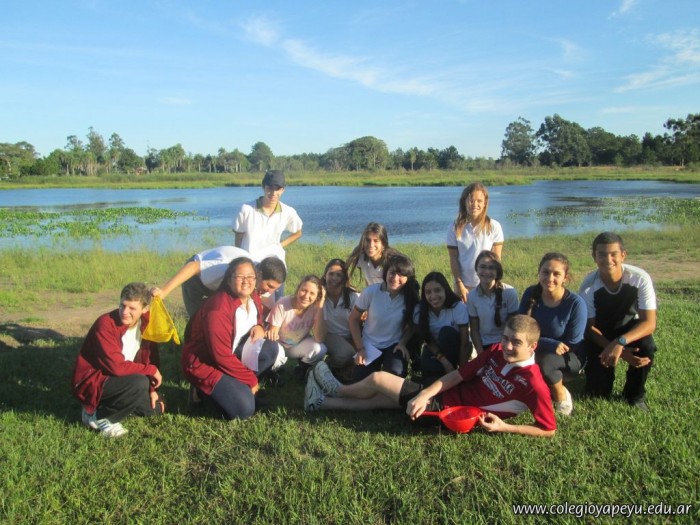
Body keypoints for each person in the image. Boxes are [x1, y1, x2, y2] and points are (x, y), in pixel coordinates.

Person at [305, 315, 556, 438]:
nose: (508, 346)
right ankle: (322, 403)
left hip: (449, 413)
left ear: (532, 346)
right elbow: (457, 375)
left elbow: (548, 429)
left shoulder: (534, 383)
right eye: (506, 338)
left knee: (379, 380)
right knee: (383, 399)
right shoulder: (496, 351)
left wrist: (505, 427)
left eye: (516, 342)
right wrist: (425, 393)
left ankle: (337, 388)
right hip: (443, 394)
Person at [181, 257, 280, 420]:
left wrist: (260, 326)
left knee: (269, 349)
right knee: (244, 408)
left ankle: (235, 388)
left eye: (251, 276)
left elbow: (257, 318)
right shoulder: (218, 309)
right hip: (205, 363)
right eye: (240, 276)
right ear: (228, 280)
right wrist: (251, 380)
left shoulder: (253, 296)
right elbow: (220, 356)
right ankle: (200, 392)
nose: (246, 281)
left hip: (230, 354)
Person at [72, 282, 164, 438]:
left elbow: (149, 358)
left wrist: (152, 389)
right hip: (94, 380)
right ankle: (98, 416)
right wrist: (151, 371)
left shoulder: (147, 324)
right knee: (138, 383)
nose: (125, 312)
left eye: (132, 308)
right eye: (122, 305)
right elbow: (117, 367)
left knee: (154, 409)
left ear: (145, 309)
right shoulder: (105, 324)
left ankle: (106, 405)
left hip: (122, 377)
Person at [579, 232, 657, 411]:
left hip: (629, 329)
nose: (608, 260)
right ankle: (600, 379)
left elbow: (649, 323)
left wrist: (620, 342)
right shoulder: (588, 285)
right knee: (598, 393)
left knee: (647, 346)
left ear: (623, 255)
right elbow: (590, 329)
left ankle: (635, 394)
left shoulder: (640, 278)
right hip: (600, 333)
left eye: (613, 254)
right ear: (594, 257)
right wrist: (619, 352)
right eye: (602, 254)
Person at [518, 252, 587, 416]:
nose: (550, 278)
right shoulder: (530, 293)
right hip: (536, 347)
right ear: (539, 273)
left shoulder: (575, 303)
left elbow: (573, 343)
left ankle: (561, 395)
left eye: (556, 274)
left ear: (565, 278)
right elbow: (519, 328)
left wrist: (541, 345)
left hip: (569, 355)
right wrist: (548, 343)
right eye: (546, 272)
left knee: (545, 361)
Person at [151, 245, 287, 317]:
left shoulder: (258, 278)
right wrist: (164, 291)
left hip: (225, 283)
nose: (269, 291)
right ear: (259, 274)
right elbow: (193, 267)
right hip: (196, 277)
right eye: (269, 286)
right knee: (198, 319)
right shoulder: (226, 267)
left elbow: (265, 307)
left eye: (274, 289)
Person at [349, 253, 420, 382]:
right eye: (392, 273)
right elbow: (353, 319)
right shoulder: (371, 292)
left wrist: (403, 342)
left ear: (408, 278)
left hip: (393, 345)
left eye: (401, 275)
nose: (395, 278)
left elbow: (414, 325)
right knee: (360, 379)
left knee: (395, 375)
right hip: (369, 344)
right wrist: (360, 348)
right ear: (386, 273)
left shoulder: (411, 298)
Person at [232, 169, 302, 298]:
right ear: (263, 187)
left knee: (275, 305)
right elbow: (238, 238)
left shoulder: (288, 212)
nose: (273, 193)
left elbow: (298, 232)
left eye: (277, 188)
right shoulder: (247, 209)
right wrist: (238, 261)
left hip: (275, 266)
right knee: (248, 302)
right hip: (251, 266)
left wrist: (280, 245)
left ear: (283, 190)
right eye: (269, 188)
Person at [446, 183, 504, 302]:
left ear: (485, 203)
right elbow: (453, 259)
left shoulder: (494, 226)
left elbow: (496, 259)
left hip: (488, 285)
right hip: (463, 287)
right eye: (471, 200)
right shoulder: (454, 227)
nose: (475, 204)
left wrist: (492, 284)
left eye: (479, 201)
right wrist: (459, 284)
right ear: (464, 202)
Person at [414, 272, 470, 385]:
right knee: (429, 373)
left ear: (445, 290)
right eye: (428, 292)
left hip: (456, 348)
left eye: (437, 290)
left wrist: (461, 372)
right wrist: (443, 360)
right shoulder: (420, 310)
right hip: (435, 349)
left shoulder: (458, 307)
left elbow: (465, 343)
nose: (433, 296)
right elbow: (427, 339)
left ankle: (453, 377)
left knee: (446, 332)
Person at [266, 275, 328, 378]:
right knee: (277, 357)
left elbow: (319, 338)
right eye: (304, 290)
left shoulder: (317, 308)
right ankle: (274, 371)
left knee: (320, 349)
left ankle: (303, 368)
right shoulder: (283, 304)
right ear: (298, 289)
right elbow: (272, 334)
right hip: (279, 343)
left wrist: (320, 306)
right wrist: (278, 354)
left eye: (312, 293)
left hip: (296, 345)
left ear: (318, 296)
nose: (306, 296)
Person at [468, 250, 519, 354]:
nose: (487, 272)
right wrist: (481, 355)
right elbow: (474, 329)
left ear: (498, 271)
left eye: (491, 268)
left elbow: (513, 326)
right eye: (482, 267)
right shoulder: (472, 296)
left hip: (506, 344)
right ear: (476, 269)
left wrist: (505, 349)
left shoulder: (509, 292)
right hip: (484, 344)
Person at [320, 258, 360, 378]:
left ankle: (341, 371)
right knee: (347, 354)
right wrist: (321, 300)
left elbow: (360, 321)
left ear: (344, 278)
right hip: (329, 335)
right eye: (331, 274)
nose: (334, 278)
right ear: (325, 275)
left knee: (360, 358)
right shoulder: (318, 294)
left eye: (339, 275)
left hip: (350, 335)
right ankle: (319, 368)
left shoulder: (353, 296)